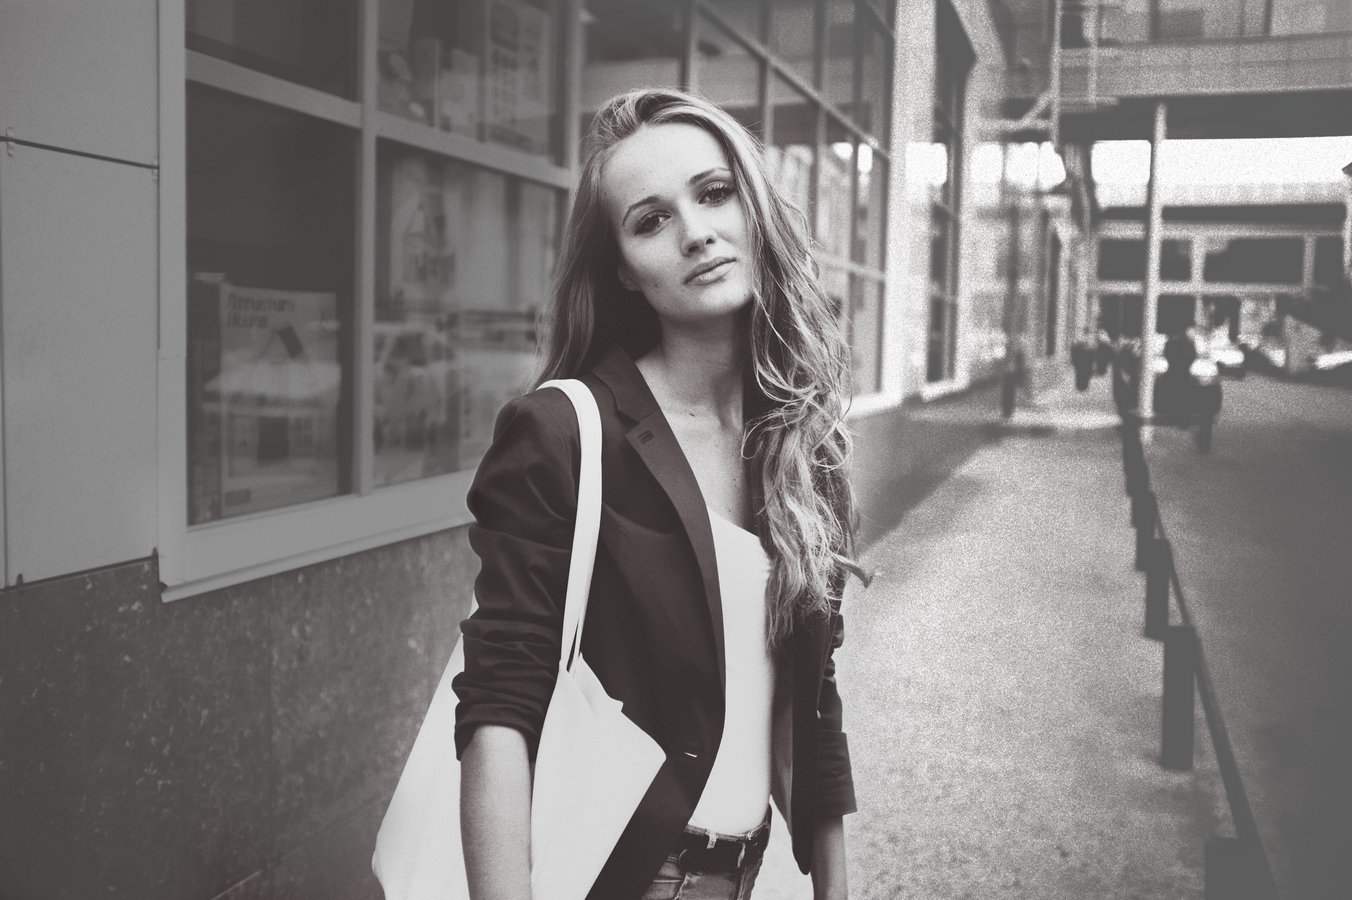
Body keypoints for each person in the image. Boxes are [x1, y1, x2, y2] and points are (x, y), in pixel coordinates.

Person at [452, 88, 857, 900]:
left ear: (754, 207)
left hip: (750, 876)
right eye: (651, 221)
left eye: (714, 193)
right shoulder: (563, 434)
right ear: (624, 273)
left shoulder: (803, 445)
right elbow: (500, 704)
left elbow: (812, 701)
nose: (696, 233)